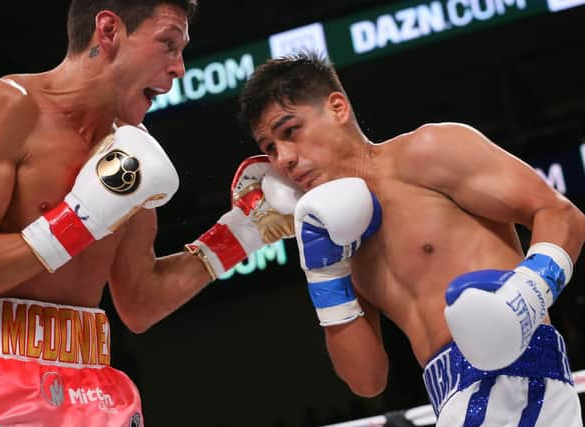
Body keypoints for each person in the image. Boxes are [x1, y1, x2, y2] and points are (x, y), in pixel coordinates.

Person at [0, 1, 300, 426]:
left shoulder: (131, 149)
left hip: (92, 386)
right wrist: (79, 219)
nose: (180, 69)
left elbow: (140, 302)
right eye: (168, 45)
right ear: (109, 30)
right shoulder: (3, 107)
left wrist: (243, 232)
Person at [237, 51, 585, 426]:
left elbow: (561, 214)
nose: (284, 158)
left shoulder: (427, 152)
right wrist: (324, 272)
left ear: (337, 108)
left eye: (291, 131)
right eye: (269, 148)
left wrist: (525, 295)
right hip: (450, 401)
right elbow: (366, 380)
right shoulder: (338, 241)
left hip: (520, 381)